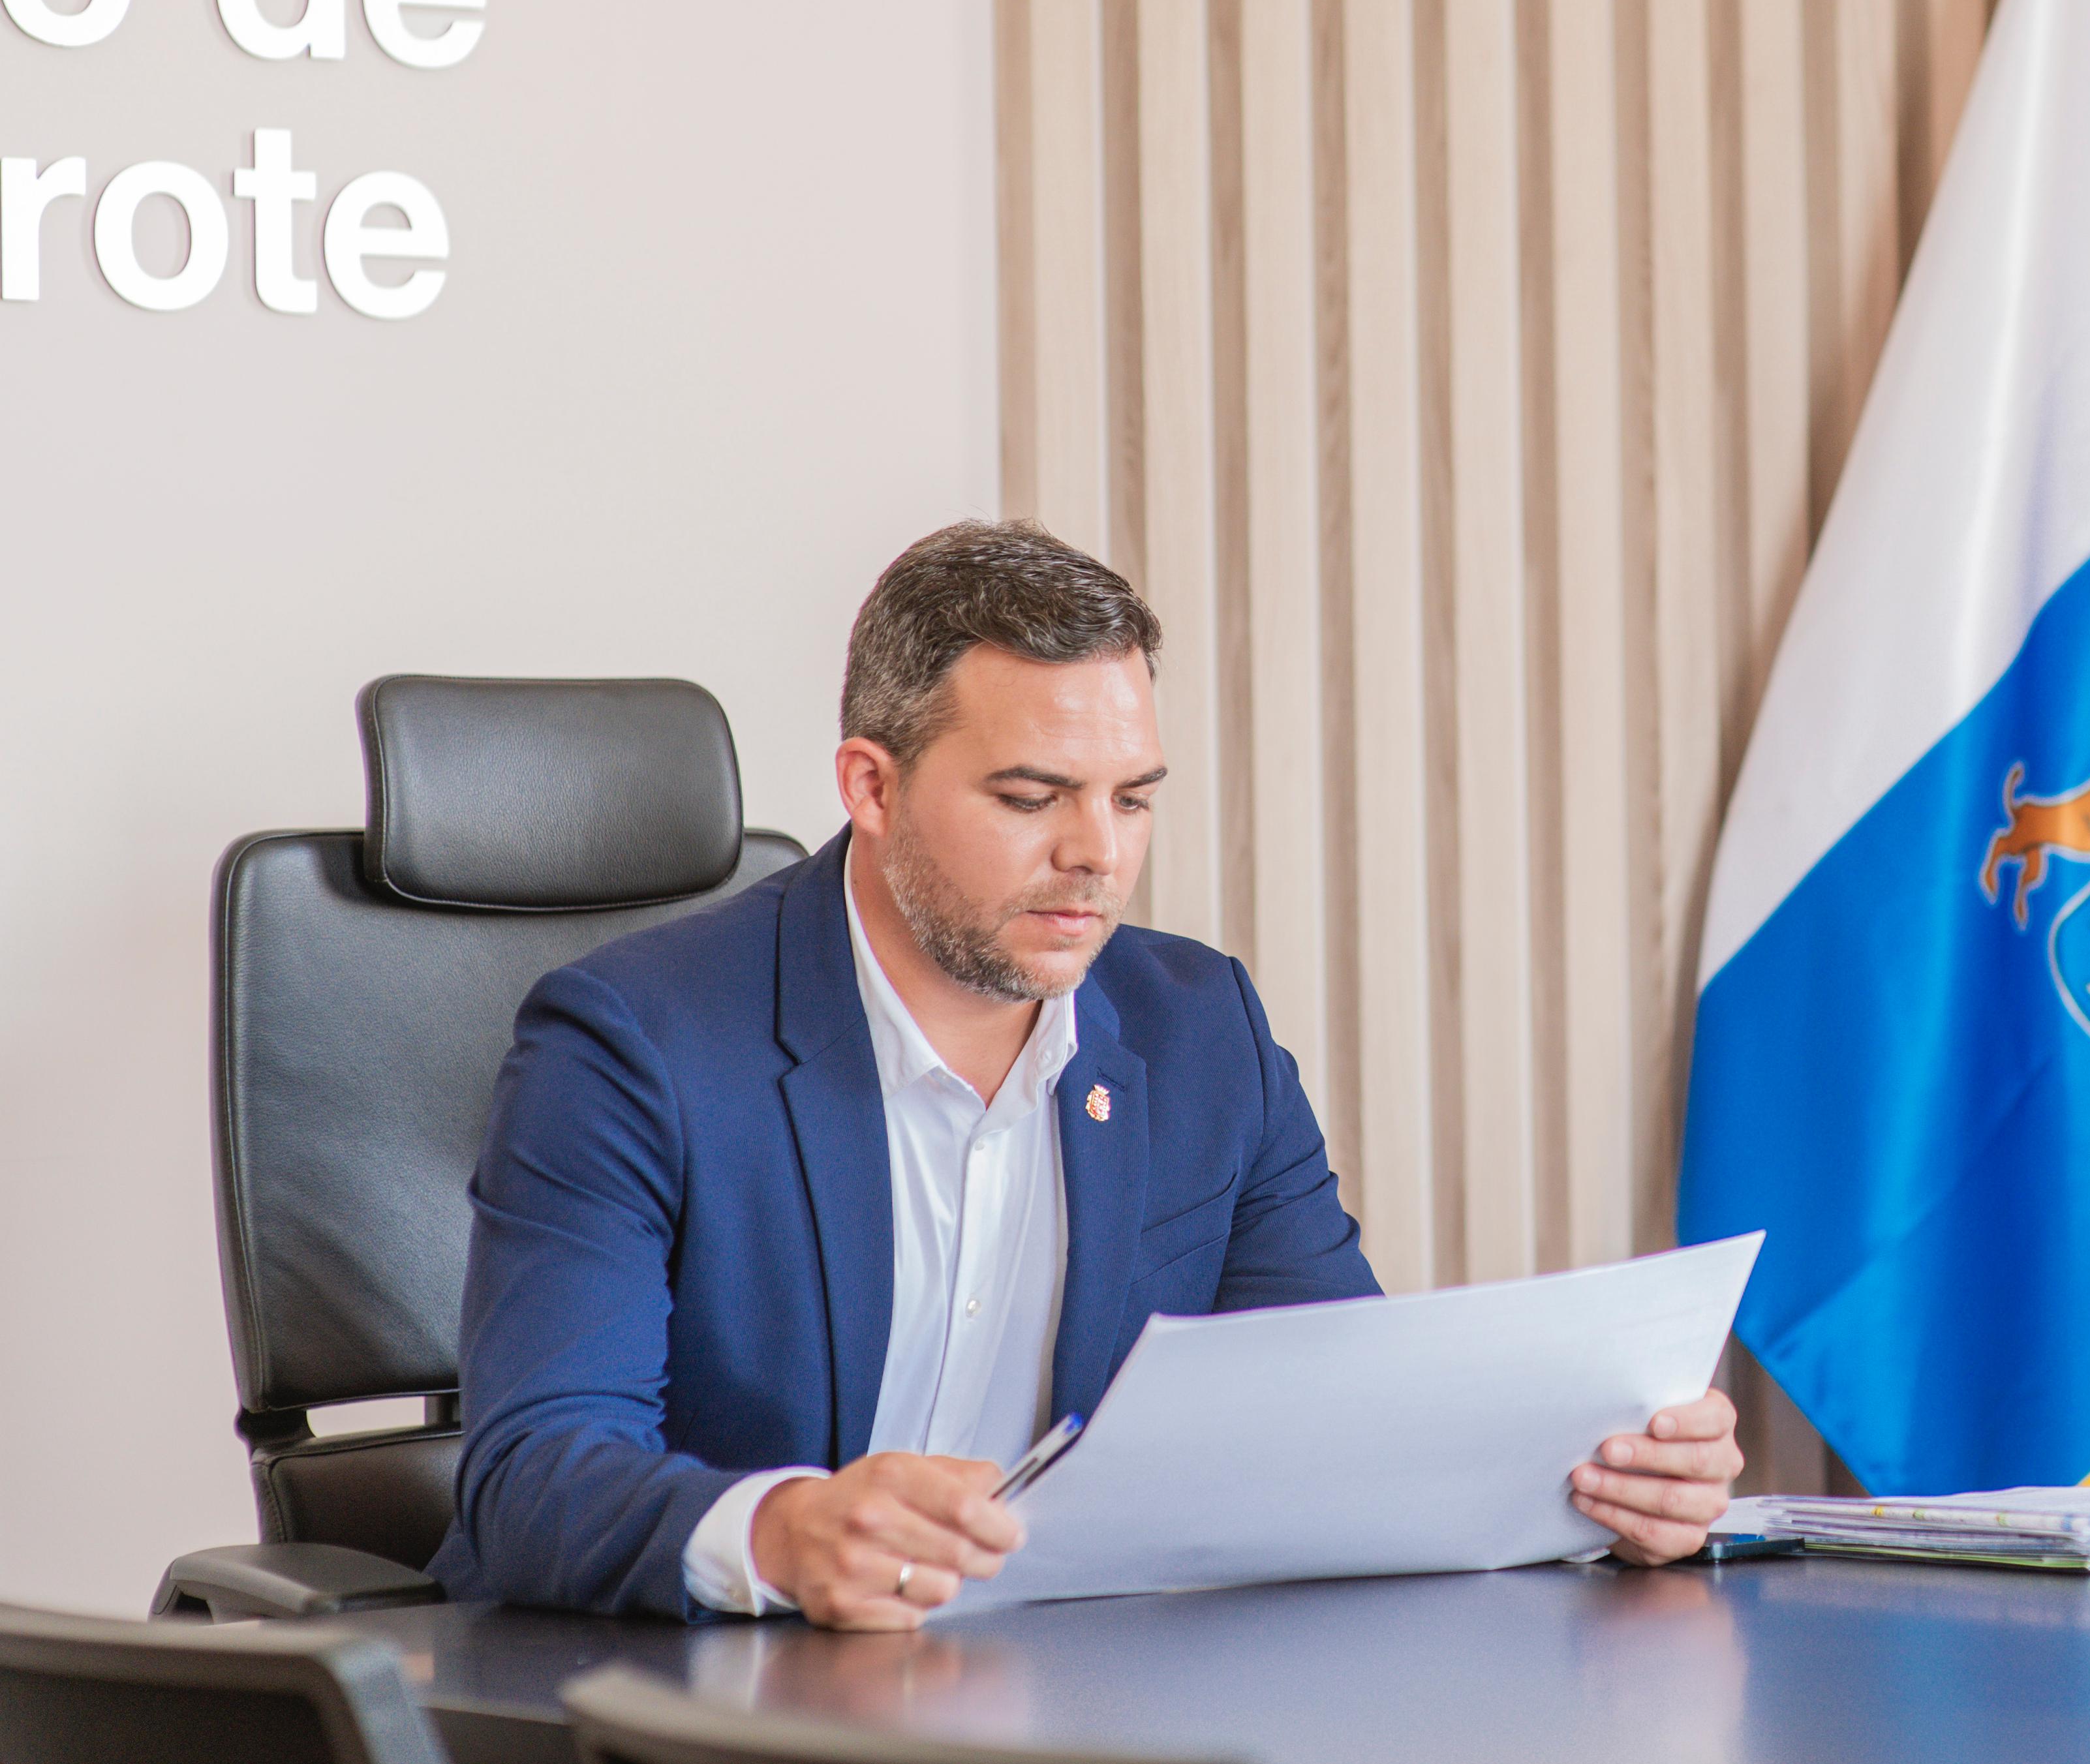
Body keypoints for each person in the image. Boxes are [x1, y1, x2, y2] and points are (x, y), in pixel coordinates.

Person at [430, 521, 1741, 1622]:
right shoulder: (630, 1043)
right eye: (1030, 796)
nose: (1094, 855)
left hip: (1070, 1687)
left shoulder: (1197, 1027)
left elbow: (1337, 1418)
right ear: (870, 786)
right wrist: (780, 1528)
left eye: (1131, 797)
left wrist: (1599, 1484)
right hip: (726, 1699)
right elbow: (536, 1474)